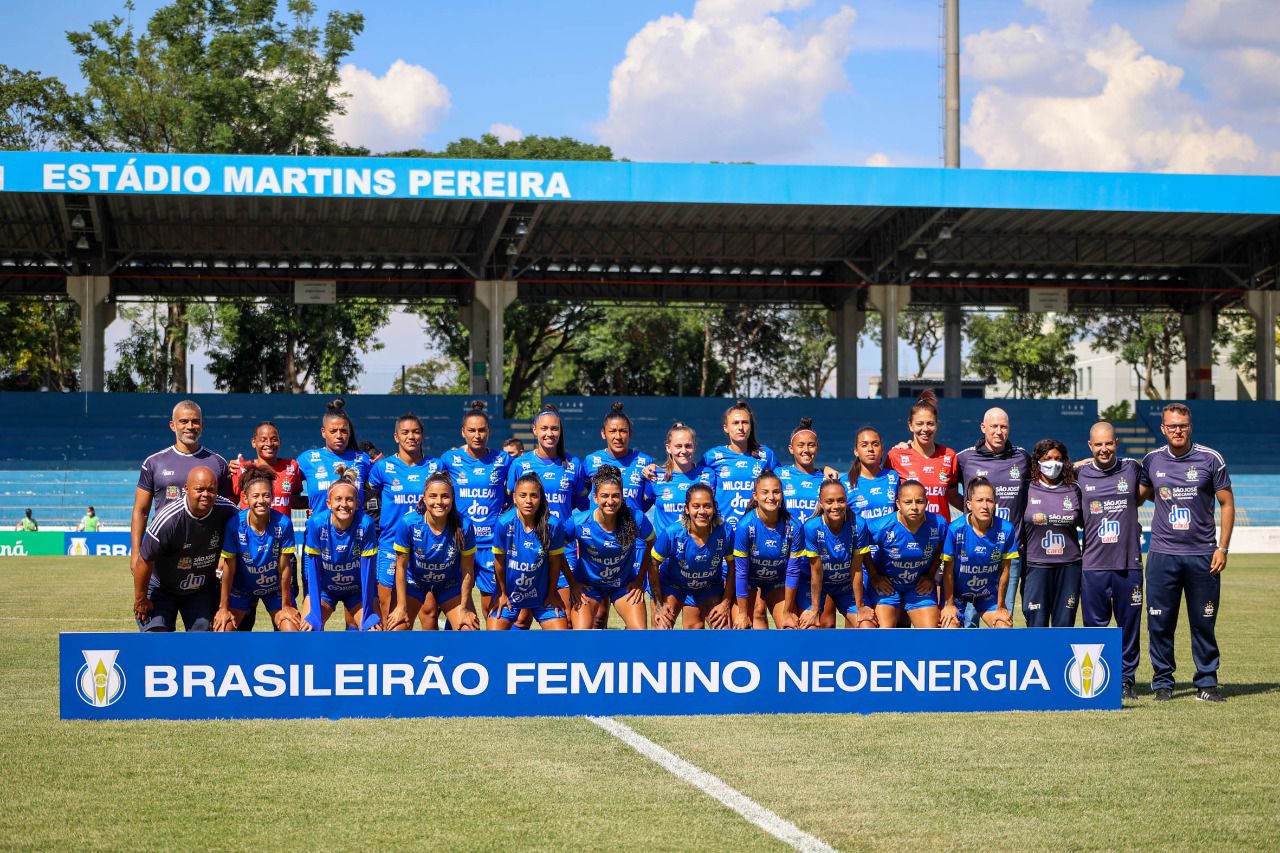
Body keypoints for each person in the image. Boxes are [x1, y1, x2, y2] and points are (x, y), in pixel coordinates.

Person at [1138, 403, 1234, 703]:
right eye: (1171, 426)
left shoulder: (1211, 458)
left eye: (1182, 425)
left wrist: (1223, 547)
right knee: (1160, 623)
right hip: (1162, 555)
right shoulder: (1152, 460)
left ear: (1189, 427)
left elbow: (1227, 504)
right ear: (1163, 429)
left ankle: (1206, 682)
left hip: (1202, 555)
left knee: (1203, 622)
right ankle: (1163, 682)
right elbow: (1139, 496)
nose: (1177, 430)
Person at [1078, 421, 1145, 701]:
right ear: (1090, 446)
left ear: (1116, 442)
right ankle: (1098, 678)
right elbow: (1056, 467)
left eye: (1109, 443)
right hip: (1093, 564)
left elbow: (1151, 487)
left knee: (1129, 626)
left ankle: (1126, 680)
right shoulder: (1079, 474)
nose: (1104, 449)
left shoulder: (1132, 468)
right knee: (1094, 627)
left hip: (1128, 563)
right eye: (1098, 444)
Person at [130, 400, 232, 581]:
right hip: (163, 553)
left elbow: (227, 514)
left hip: (204, 558)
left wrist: (225, 555)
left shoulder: (218, 463)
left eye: (195, 421)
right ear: (172, 425)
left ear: (202, 424)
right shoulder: (154, 463)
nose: (190, 426)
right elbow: (141, 511)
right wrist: (135, 553)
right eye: (184, 421)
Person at [132, 466, 239, 632]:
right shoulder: (168, 520)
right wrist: (141, 599)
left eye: (211, 490)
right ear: (186, 490)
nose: (206, 494)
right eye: (199, 489)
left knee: (205, 641)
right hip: (162, 588)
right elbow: (144, 560)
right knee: (157, 640)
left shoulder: (229, 511)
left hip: (201, 590)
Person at [506, 403, 587, 613]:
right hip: (527, 549)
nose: (549, 433)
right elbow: (509, 505)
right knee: (522, 617)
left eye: (554, 428)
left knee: (564, 613)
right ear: (534, 430)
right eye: (544, 428)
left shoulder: (573, 464)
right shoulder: (520, 465)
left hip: (563, 548)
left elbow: (584, 506)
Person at [439, 400, 513, 620]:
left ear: (489, 431)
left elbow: (514, 494)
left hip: (491, 544)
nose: (477, 435)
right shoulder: (449, 459)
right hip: (458, 542)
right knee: (456, 606)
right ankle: (455, 653)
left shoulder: (503, 460)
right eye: (471, 430)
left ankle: (487, 652)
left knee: (492, 608)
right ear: (463, 432)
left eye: (482, 430)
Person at [955, 407, 1031, 618]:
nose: (999, 432)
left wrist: (1080, 463)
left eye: (1004, 427)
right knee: (969, 619)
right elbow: (950, 491)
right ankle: (967, 653)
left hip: (1009, 551)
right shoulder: (964, 458)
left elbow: (1048, 473)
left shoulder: (1022, 457)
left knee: (1002, 615)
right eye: (994, 426)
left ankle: (999, 652)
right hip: (972, 552)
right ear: (983, 428)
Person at [384, 472, 480, 631]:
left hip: (449, 584)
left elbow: (467, 570)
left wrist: (464, 607)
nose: (439, 502)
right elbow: (400, 567)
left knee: (468, 628)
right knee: (396, 628)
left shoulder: (464, 526)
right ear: (424, 498)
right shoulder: (409, 523)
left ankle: (452, 655)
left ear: (453, 497)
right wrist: (401, 606)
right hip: (415, 583)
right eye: (433, 496)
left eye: (445, 496)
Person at [368, 413, 439, 622]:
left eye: (416, 432)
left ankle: (431, 655)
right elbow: (367, 499)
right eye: (405, 432)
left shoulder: (436, 466)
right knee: (389, 611)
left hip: (426, 547)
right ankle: (388, 655)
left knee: (429, 611)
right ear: (396, 437)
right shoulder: (382, 468)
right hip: (391, 546)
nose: (411, 436)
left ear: (422, 436)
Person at [564, 465, 655, 629]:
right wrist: (573, 583)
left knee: (640, 633)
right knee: (581, 635)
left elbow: (651, 543)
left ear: (622, 497)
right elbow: (555, 552)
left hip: (623, 585)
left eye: (615, 496)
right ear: (595, 498)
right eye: (604, 496)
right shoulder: (578, 522)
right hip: (588, 586)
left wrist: (640, 579)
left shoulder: (636, 519)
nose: (610, 501)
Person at [212, 467, 302, 632]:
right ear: (245, 498)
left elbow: (284, 568)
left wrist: (287, 605)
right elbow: (228, 569)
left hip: (273, 589)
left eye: (266, 495)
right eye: (255, 496)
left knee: (292, 630)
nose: (261, 500)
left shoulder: (283, 523)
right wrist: (223, 608)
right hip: (242, 589)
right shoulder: (235, 525)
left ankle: (281, 658)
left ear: (272, 497)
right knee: (223, 630)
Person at [488, 473, 570, 630]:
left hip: (542, 595)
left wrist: (552, 593)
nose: (528, 501)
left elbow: (555, 563)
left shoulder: (552, 524)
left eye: (534, 495)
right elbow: (499, 563)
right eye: (523, 495)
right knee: (494, 639)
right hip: (510, 595)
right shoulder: (504, 523)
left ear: (541, 498)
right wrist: (502, 593)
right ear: (514, 498)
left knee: (561, 639)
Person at [300, 473, 381, 631]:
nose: (344, 504)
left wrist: (368, 615)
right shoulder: (316, 524)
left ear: (358, 504)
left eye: (349, 499)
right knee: (307, 630)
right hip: (325, 590)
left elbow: (368, 572)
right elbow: (313, 570)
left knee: (373, 631)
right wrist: (315, 615)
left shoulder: (366, 524)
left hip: (356, 590)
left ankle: (356, 654)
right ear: (329, 503)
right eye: (338, 499)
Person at [790, 478, 873, 629]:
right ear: (821, 503)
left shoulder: (859, 524)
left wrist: (860, 607)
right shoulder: (812, 527)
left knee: (867, 626)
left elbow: (856, 568)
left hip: (845, 586)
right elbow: (816, 571)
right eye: (830, 501)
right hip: (814, 584)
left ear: (847, 501)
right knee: (810, 627)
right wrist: (814, 610)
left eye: (841, 501)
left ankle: (852, 653)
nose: (836, 506)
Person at [864, 480, 947, 629]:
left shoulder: (938, 524)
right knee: (885, 632)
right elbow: (860, 546)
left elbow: (941, 545)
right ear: (898, 504)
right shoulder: (882, 526)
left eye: (920, 501)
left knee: (931, 634)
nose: (914, 507)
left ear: (927, 502)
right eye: (908, 502)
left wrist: (930, 574)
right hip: (888, 585)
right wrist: (874, 576)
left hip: (918, 585)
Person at [650, 483, 733, 629]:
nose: (702, 511)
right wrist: (658, 604)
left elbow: (734, 567)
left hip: (709, 587)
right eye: (696, 506)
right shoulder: (672, 533)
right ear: (687, 509)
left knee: (724, 630)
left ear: (714, 508)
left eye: (707, 506)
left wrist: (725, 603)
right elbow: (653, 564)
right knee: (661, 628)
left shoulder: (725, 531)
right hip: (674, 586)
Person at [730, 471, 806, 629]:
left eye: (776, 492)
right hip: (749, 580)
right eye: (765, 492)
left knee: (790, 626)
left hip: (777, 581)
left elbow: (792, 571)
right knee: (740, 627)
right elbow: (741, 572)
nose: (771, 497)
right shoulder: (745, 526)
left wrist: (787, 612)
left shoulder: (794, 526)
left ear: (782, 495)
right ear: (755, 496)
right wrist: (743, 614)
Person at [841, 426, 899, 629]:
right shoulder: (844, 482)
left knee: (890, 625)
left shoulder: (893, 478)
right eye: (864, 445)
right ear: (856, 451)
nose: (871, 449)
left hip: (889, 561)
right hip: (859, 564)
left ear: (882, 449)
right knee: (860, 623)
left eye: (875, 444)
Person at [940, 477, 1017, 629]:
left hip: (987, 594)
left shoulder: (1006, 529)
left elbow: (1005, 571)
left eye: (989, 500)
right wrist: (949, 604)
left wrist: (1001, 606)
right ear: (969, 504)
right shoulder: (955, 529)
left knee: (1004, 628)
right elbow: (947, 571)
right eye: (979, 500)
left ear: (995, 504)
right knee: (949, 628)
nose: (985, 506)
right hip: (957, 594)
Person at [1021, 438, 1083, 628]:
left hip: (1069, 566)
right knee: (1036, 625)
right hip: (1036, 565)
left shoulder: (1074, 488)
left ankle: (1060, 659)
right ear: (1038, 460)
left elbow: (1087, 522)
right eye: (1047, 458)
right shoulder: (1026, 489)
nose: (1053, 463)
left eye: (1058, 459)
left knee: (1064, 626)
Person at [704, 399, 778, 534]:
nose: (740, 427)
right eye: (735, 423)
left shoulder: (765, 455)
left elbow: (787, 477)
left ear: (751, 426)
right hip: (722, 532)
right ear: (726, 427)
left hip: (756, 532)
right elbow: (691, 476)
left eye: (745, 422)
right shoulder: (712, 456)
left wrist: (821, 470)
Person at [886, 390, 959, 521]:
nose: (925, 429)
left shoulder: (949, 456)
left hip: (940, 536)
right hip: (907, 535)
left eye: (930, 423)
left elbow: (953, 497)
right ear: (910, 425)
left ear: (937, 425)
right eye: (919, 424)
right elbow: (886, 497)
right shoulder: (895, 456)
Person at [296, 398, 374, 515]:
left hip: (354, 531)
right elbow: (286, 493)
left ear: (349, 432)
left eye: (343, 431)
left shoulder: (363, 458)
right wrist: (315, 504)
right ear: (323, 432)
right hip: (319, 531)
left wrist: (359, 499)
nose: (339, 435)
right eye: (333, 431)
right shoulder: (307, 459)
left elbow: (380, 489)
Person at [583, 401, 655, 513]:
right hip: (599, 529)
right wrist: (592, 514)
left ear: (630, 433)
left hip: (631, 528)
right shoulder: (590, 461)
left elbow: (649, 498)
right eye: (612, 431)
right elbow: (580, 494)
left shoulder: (645, 462)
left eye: (623, 431)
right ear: (603, 433)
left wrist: (634, 516)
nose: (618, 436)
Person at [649, 421, 718, 533]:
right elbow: (640, 508)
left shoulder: (708, 475)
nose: (684, 451)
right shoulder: (655, 475)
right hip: (664, 548)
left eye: (688, 446)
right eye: (678, 446)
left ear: (694, 447)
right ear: (668, 448)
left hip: (696, 546)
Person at [229, 421, 304, 513]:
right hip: (250, 527)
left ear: (279, 441)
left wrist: (320, 506)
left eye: (274, 439)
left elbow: (295, 501)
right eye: (263, 440)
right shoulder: (241, 469)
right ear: (254, 442)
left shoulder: (292, 466)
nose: (269, 443)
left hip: (281, 527)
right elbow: (229, 504)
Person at [776, 418, 826, 521]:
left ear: (817, 448)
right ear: (791, 449)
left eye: (811, 445)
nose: (806, 450)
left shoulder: (826, 479)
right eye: (800, 445)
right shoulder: (778, 474)